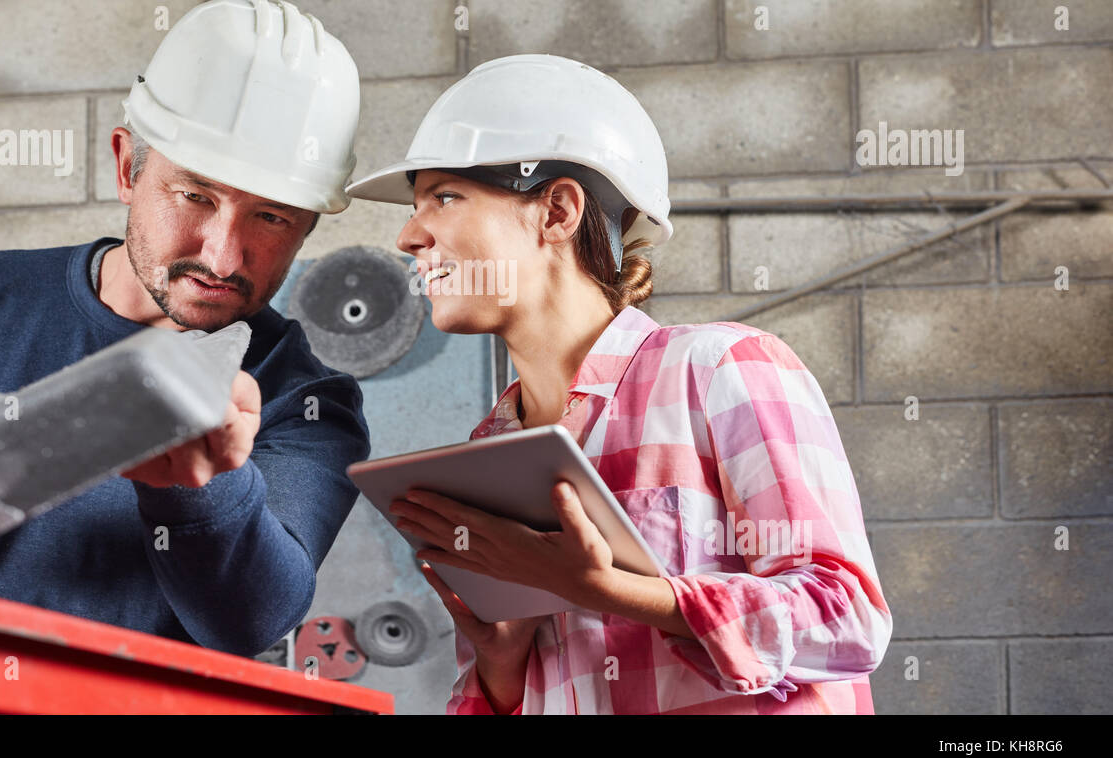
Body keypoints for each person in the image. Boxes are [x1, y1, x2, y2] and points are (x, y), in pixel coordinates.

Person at [345, 53, 893, 713]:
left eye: (444, 196)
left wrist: (610, 590)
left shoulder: (720, 369)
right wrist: (500, 664)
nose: (409, 235)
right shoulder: (492, 445)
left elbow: (848, 618)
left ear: (556, 211)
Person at [0, 0, 371, 658]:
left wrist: (204, 483)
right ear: (126, 168)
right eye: (196, 196)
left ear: (308, 225)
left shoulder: (305, 401)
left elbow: (255, 619)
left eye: (272, 218)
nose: (223, 256)